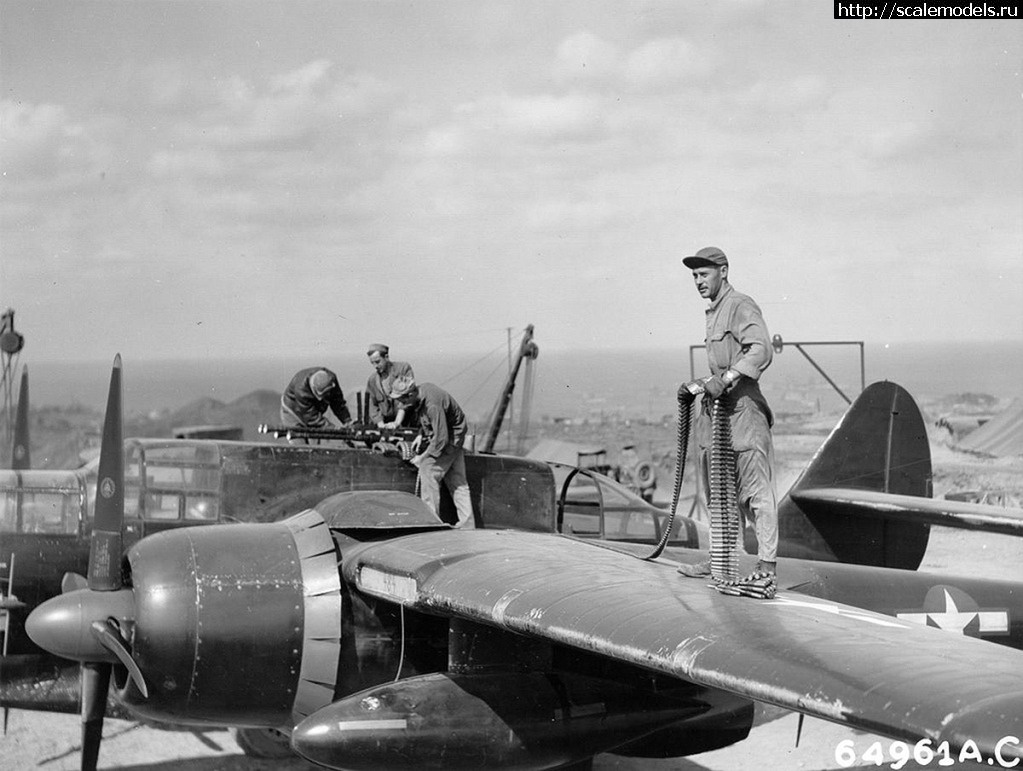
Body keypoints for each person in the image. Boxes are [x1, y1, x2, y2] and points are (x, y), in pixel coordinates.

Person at [676, 246, 778, 578]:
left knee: (755, 493)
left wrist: (729, 377)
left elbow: (760, 349)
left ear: (723, 272)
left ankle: (766, 567)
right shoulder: (714, 312)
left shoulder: (740, 305)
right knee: (719, 494)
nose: (698, 281)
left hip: (744, 411)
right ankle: (721, 560)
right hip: (717, 413)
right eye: (694, 275)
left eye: (704, 274)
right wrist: (701, 385)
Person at [389, 376, 475, 528]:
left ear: (410, 394)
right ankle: (468, 525)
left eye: (402, 400)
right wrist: (421, 434)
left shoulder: (432, 404)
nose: (400, 404)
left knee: (427, 471)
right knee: (458, 483)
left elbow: (441, 439)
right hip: (454, 437)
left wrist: (422, 458)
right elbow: (432, 421)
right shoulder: (424, 391)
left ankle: (431, 524)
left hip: (450, 440)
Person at [280, 367, 352, 429]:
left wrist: (347, 421)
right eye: (323, 395)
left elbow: (337, 402)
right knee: (299, 439)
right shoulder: (301, 392)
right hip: (293, 413)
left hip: (312, 412)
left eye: (327, 393)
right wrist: (333, 428)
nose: (322, 399)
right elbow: (312, 418)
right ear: (314, 390)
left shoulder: (331, 379)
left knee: (316, 438)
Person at [365, 344, 415, 428]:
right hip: (386, 423)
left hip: (407, 421)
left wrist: (397, 422)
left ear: (386, 357)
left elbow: (409, 397)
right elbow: (373, 405)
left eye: (377, 362)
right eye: (372, 363)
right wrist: (380, 424)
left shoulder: (403, 369)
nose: (375, 366)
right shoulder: (372, 380)